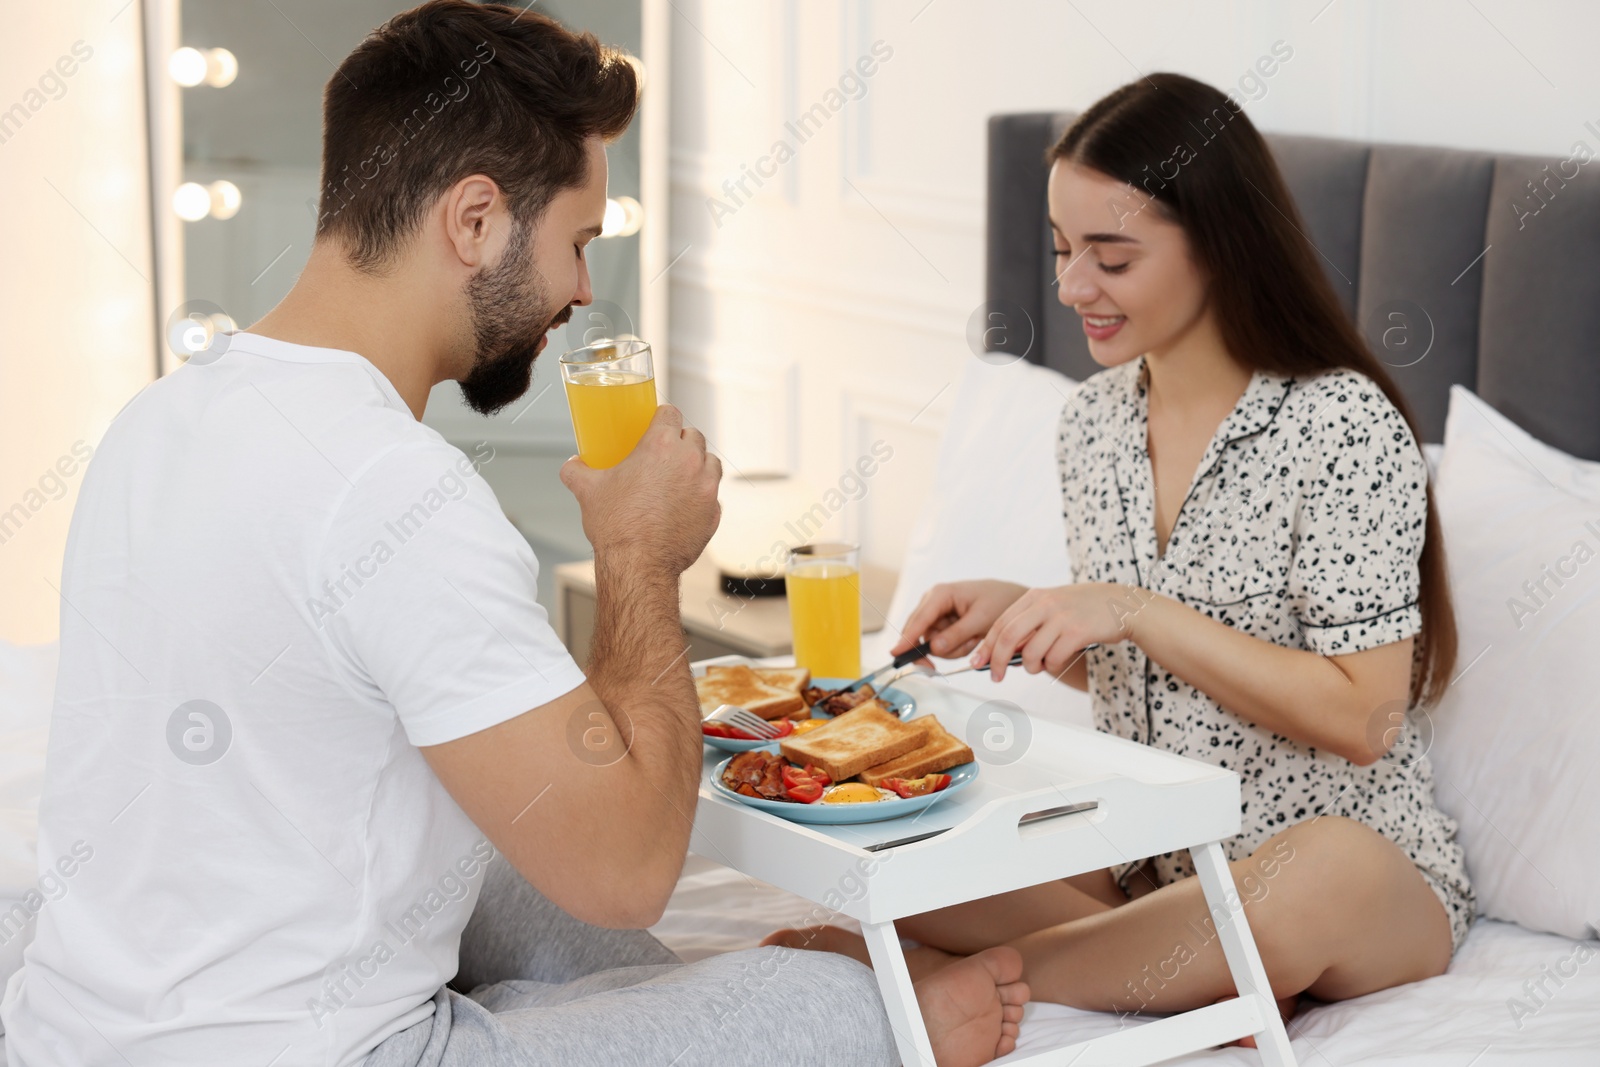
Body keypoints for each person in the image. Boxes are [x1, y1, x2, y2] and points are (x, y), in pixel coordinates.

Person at [0, 3, 1027, 1065]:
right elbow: (629, 870)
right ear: (476, 219)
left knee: (497, 861)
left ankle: (653, 998)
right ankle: (857, 1019)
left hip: (78, 1028)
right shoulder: (398, 492)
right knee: (843, 1004)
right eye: (579, 241)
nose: (583, 290)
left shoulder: (161, 412)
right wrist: (639, 555)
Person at [765, 71, 1474, 1033]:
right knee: (910, 846)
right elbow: (1162, 682)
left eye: (1112, 255)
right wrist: (1035, 611)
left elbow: (1366, 716)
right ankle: (1124, 959)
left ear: (1221, 245)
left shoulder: (1340, 424)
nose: (1071, 287)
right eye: (1062, 250)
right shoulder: (1091, 423)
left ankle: (925, 973)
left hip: (1354, 874)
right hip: (1156, 864)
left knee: (1313, 876)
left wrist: (1131, 608)